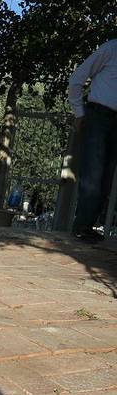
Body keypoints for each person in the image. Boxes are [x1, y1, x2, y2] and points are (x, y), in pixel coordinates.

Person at [68, 38, 117, 243]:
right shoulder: (111, 48)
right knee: (93, 174)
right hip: (99, 116)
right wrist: (79, 112)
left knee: (106, 177)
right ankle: (81, 227)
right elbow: (77, 78)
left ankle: (87, 226)